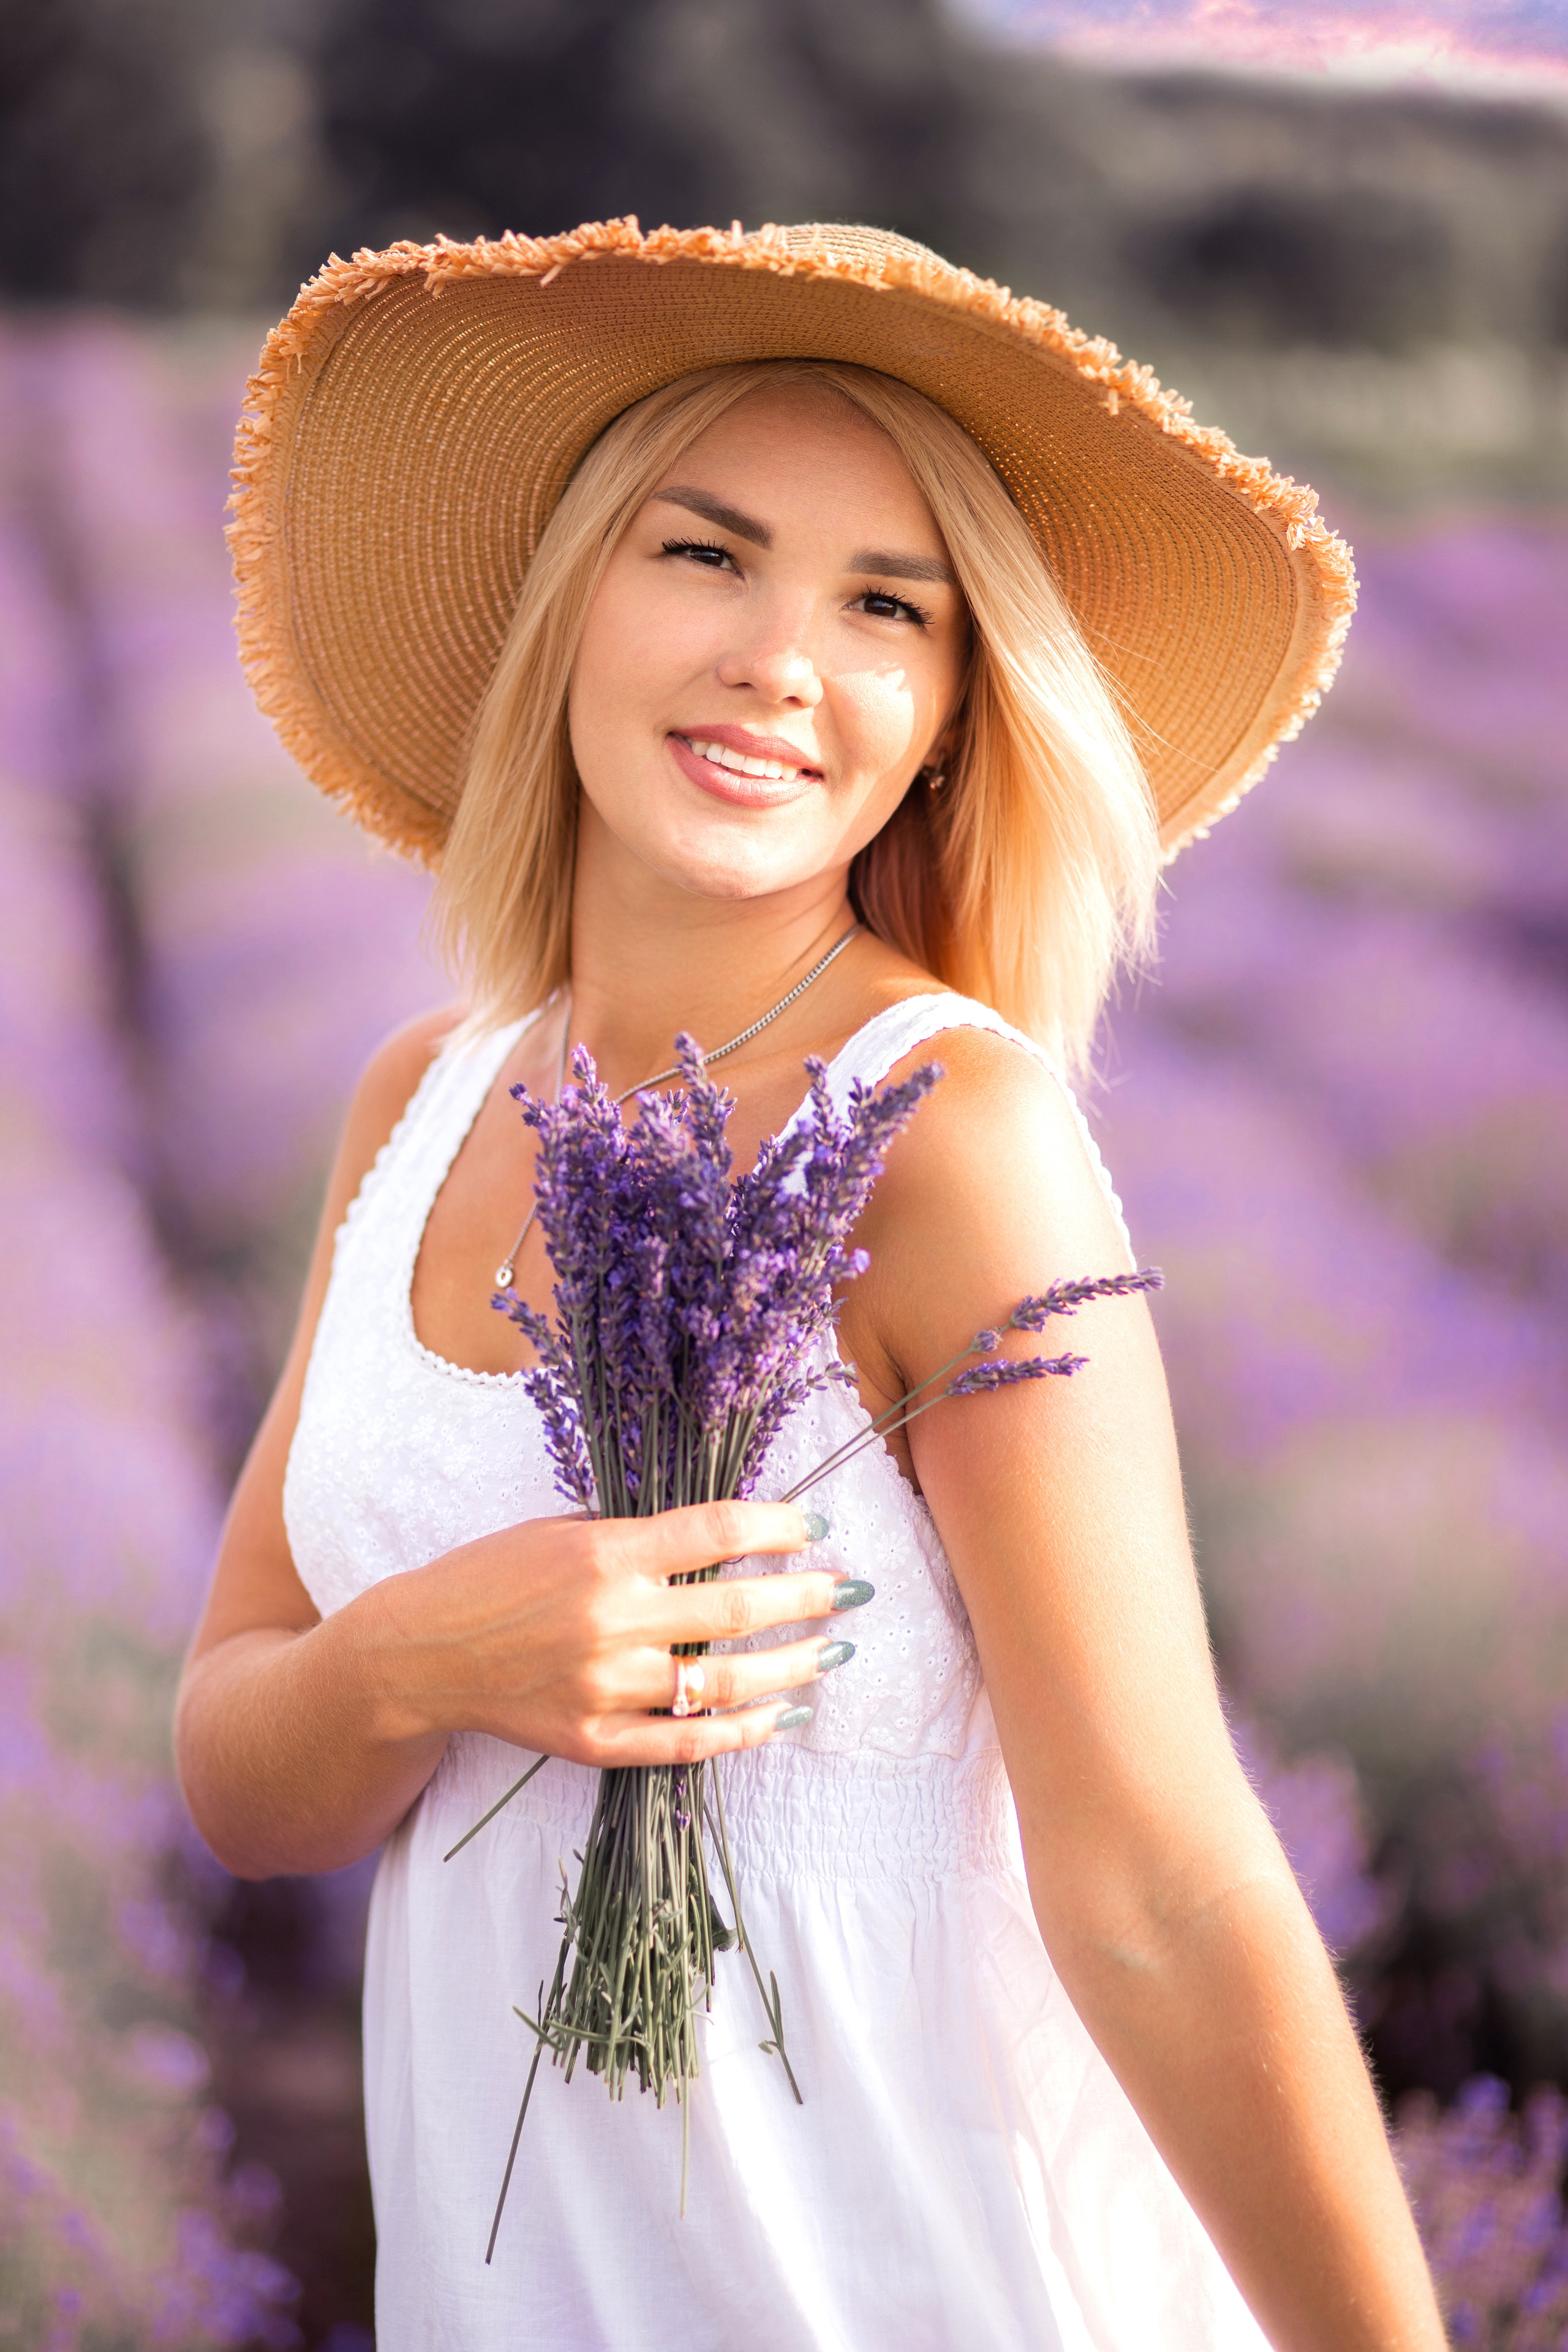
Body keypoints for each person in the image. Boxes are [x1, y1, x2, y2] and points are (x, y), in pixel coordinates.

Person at [178, 220, 1444, 2349]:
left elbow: (1161, 1880)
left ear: (947, 714)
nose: (783, 661)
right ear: (568, 602)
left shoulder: (949, 1136)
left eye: (887, 606)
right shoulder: (422, 1100)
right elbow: (239, 1774)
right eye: (705, 554)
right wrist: (421, 1658)